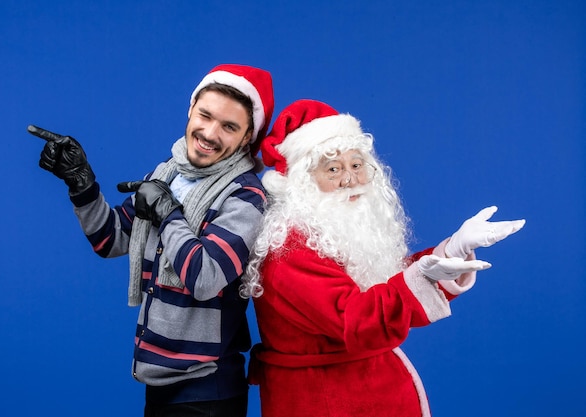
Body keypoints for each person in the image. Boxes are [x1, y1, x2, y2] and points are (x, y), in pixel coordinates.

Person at [240, 99, 525, 417]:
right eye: (333, 169)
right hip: (326, 402)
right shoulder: (290, 250)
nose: (350, 180)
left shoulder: (328, 232)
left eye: (356, 165)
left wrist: (450, 250)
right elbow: (361, 320)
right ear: (301, 183)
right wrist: (425, 276)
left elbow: (387, 286)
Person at [28, 64, 274, 417]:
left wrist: (168, 214)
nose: (210, 132)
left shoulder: (246, 197)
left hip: (208, 389)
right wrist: (81, 183)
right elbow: (110, 239)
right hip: (159, 378)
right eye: (205, 115)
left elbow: (205, 277)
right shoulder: (168, 174)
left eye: (229, 126)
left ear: (248, 136)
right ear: (191, 110)